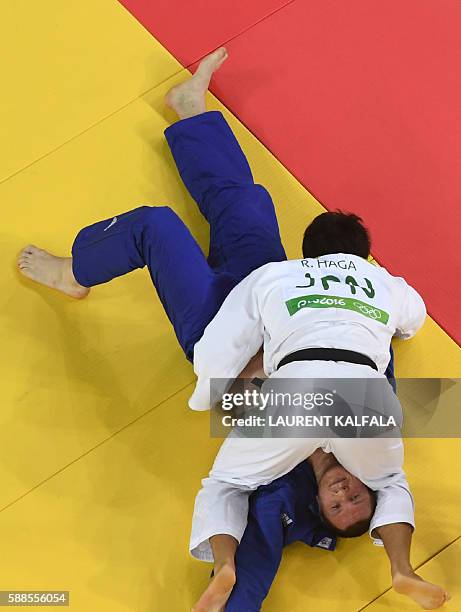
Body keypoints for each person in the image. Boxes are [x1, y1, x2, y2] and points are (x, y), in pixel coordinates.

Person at [16, 49, 449, 611]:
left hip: (228, 344)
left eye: (339, 507)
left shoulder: (284, 491)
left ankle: (73, 271)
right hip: (276, 315)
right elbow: (400, 369)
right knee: (248, 204)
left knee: (155, 226)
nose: (345, 493)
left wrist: (218, 390)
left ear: (319, 510)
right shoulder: (367, 427)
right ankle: (191, 111)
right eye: (358, 499)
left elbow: (257, 553)